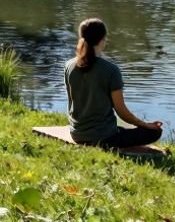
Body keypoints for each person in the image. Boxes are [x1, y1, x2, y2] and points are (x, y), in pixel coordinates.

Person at [63, 18, 163, 148]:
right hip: (104, 137)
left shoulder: (68, 66)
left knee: (121, 129)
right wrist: (145, 124)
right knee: (155, 132)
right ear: (102, 39)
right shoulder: (111, 70)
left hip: (77, 134)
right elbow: (121, 111)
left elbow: (71, 102)